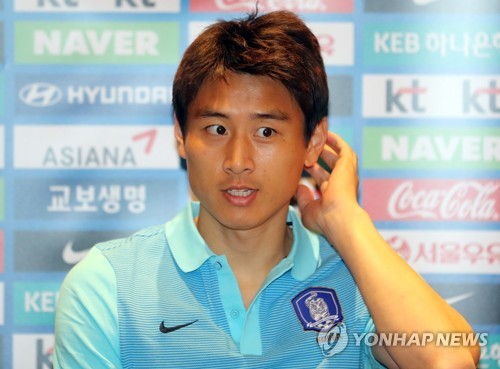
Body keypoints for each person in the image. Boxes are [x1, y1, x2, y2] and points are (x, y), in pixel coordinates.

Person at [54, 10, 479, 369]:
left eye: (266, 130)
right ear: (182, 137)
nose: (238, 160)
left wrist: (347, 222)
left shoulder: (359, 282)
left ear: (312, 142)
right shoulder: (107, 285)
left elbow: (452, 360)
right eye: (216, 128)